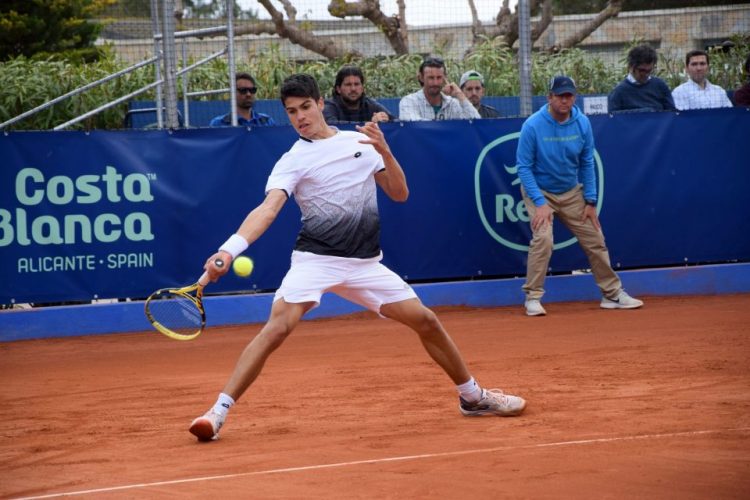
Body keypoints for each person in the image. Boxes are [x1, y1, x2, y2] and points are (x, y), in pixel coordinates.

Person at [189, 74, 526, 442]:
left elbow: (399, 193)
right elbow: (268, 209)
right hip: (315, 261)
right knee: (277, 328)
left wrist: (386, 152)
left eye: (305, 107)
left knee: (426, 321)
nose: (300, 117)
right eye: (292, 112)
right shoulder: (292, 160)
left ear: (320, 104)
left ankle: (473, 397)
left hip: (364, 265)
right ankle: (217, 411)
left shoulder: (360, 142)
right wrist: (229, 249)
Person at [517, 75, 644, 317]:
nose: (565, 101)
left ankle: (611, 294)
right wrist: (540, 203)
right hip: (540, 192)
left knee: (595, 238)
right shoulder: (532, 125)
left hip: (571, 192)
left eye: (569, 96)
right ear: (549, 97)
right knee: (543, 239)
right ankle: (532, 297)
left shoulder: (582, 122)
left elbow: (587, 161)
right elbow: (523, 168)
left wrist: (590, 201)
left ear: (574, 98)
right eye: (560, 96)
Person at [399, 57, 481, 121]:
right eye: (431, 78)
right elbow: (415, 125)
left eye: (439, 77)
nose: (435, 83)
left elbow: (477, 124)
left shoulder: (452, 104)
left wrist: (460, 94)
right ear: (421, 78)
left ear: (445, 78)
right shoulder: (409, 102)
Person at [608, 45, 676, 112]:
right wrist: (646, 112)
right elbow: (613, 116)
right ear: (631, 67)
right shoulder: (618, 92)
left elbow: (672, 113)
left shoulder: (660, 86)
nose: (646, 74)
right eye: (642, 70)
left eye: (649, 70)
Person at [323, 65, 394, 123]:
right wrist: (371, 124)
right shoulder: (330, 106)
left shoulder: (371, 105)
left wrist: (384, 119)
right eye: (348, 84)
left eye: (356, 84)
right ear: (338, 89)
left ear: (362, 88)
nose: (353, 89)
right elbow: (332, 125)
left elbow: (396, 123)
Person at [209, 72, 275, 127]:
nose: (248, 94)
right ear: (232, 93)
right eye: (243, 90)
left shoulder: (267, 122)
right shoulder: (218, 124)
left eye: (252, 90)